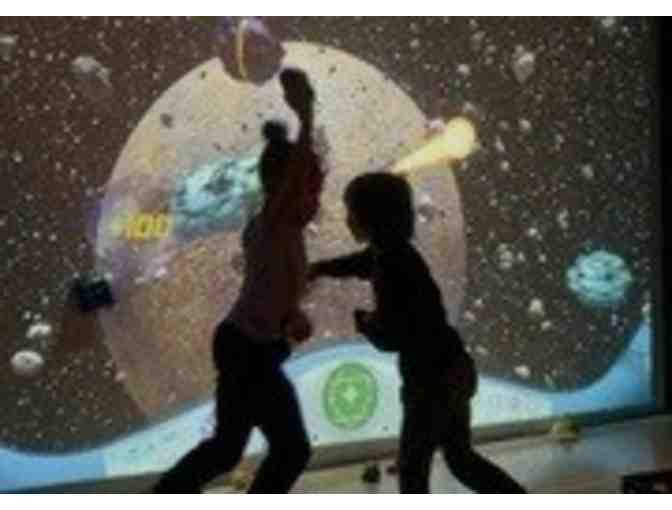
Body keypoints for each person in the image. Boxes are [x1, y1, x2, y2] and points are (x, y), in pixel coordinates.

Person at [153, 68, 324, 493]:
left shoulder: (285, 232)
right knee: (290, 450)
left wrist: (292, 316)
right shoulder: (270, 223)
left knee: (228, 449)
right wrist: (306, 115)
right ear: (281, 187)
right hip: (247, 351)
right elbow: (293, 176)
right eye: (309, 189)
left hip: (249, 347)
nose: (315, 199)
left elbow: (273, 290)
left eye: (318, 190)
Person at [309, 173, 526, 493]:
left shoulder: (390, 264)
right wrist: (320, 269)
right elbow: (360, 262)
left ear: (371, 218)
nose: (347, 220)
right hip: (454, 367)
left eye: (351, 212)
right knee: (460, 458)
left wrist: (364, 321)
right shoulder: (396, 253)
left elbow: (391, 336)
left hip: (430, 381)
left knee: (413, 470)